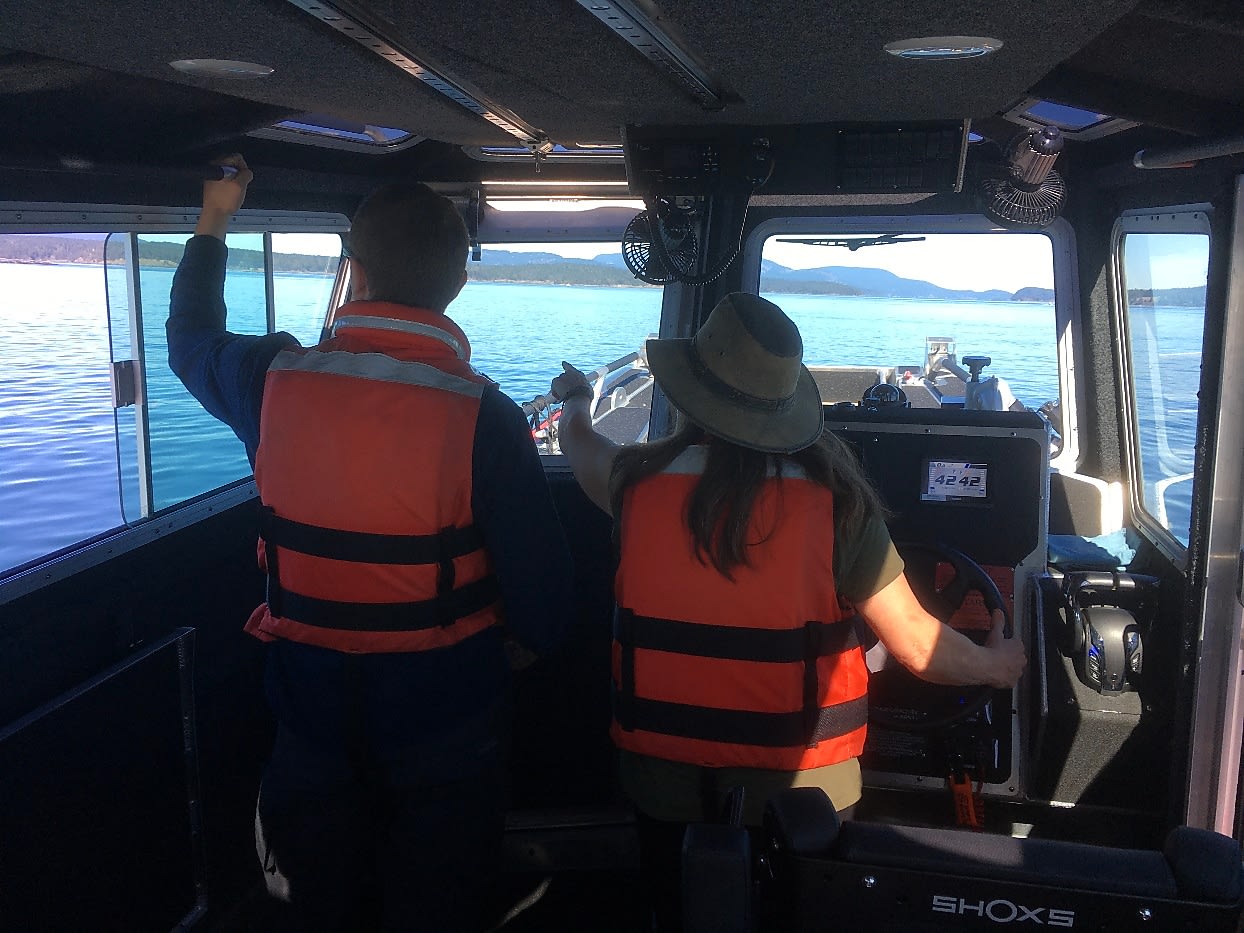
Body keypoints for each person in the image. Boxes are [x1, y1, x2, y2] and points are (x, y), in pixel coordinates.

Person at [167, 154, 574, 932]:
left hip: (309, 713)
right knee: (438, 905)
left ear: (353, 273)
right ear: (456, 283)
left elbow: (189, 337)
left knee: (317, 906)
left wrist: (215, 215)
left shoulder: (271, 379)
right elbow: (547, 608)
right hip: (446, 721)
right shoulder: (485, 415)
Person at [548, 292, 1026, 930]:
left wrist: (578, 402)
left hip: (662, 783)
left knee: (675, 912)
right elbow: (919, 649)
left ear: (691, 393)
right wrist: (999, 665)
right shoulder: (839, 505)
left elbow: (579, 448)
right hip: (800, 795)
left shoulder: (633, 484)